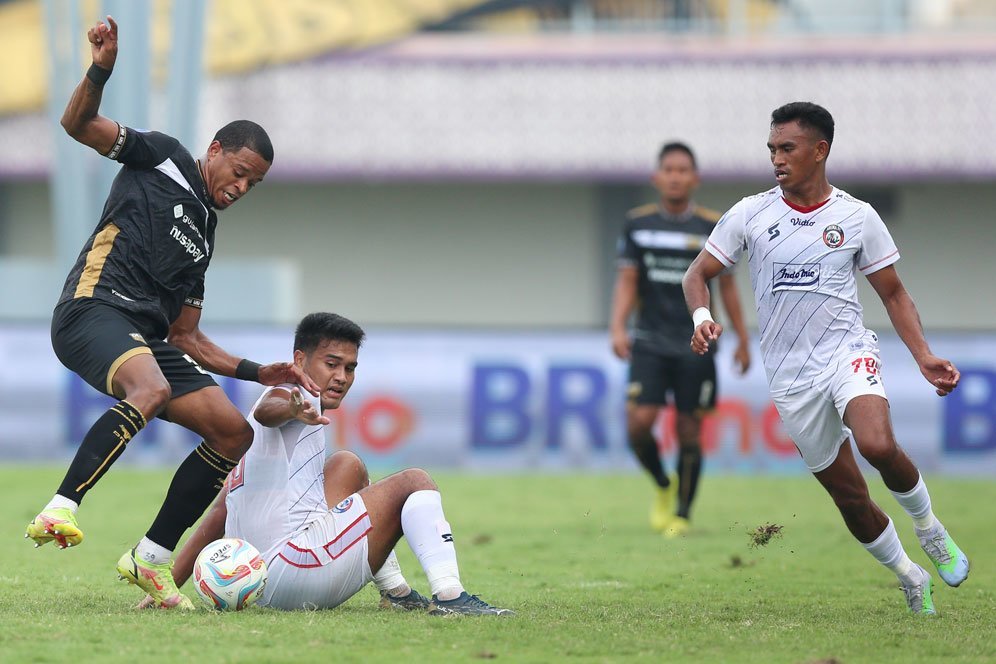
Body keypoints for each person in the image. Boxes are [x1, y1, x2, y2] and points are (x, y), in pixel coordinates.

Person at [24, 16, 317, 610]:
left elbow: (187, 336)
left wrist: (262, 373)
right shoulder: (162, 157)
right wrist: (101, 68)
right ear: (215, 152)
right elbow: (76, 124)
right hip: (90, 310)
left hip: (147, 339)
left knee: (232, 431)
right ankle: (60, 509)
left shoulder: (205, 232)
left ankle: (151, 559)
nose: (240, 190)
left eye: (253, 186)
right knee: (150, 387)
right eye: (239, 173)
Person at [682, 101, 969, 615]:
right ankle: (909, 573)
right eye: (772, 149)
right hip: (790, 377)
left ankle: (930, 530)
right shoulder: (750, 213)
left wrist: (923, 355)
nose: (777, 158)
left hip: (846, 353)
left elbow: (895, 294)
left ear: (820, 150)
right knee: (851, 497)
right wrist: (702, 319)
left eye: (787, 148)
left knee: (877, 444)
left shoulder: (857, 218)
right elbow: (697, 274)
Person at [143, 312, 513, 615]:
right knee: (414, 482)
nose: (341, 377)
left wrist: (168, 585)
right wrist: (291, 406)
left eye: (350, 367)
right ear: (300, 361)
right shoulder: (290, 395)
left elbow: (222, 509)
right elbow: (276, 409)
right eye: (331, 364)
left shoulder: (255, 422)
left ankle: (396, 593)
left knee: (346, 466)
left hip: (257, 581)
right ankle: (451, 597)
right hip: (293, 570)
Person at [610, 142, 751, 537]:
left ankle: (683, 515)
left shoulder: (713, 224)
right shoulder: (637, 225)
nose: (675, 176)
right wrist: (617, 326)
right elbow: (627, 281)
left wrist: (741, 338)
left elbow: (727, 288)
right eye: (668, 169)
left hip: (698, 340)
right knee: (639, 424)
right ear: (657, 178)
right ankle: (661, 484)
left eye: (682, 169)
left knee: (689, 430)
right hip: (650, 340)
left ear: (695, 178)